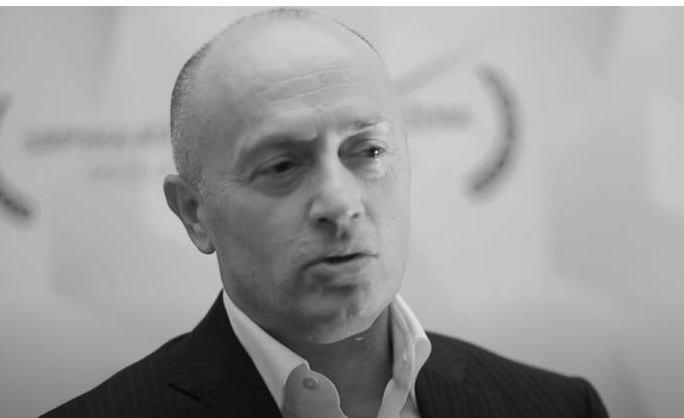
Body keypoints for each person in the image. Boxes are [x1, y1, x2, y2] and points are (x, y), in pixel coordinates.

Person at [42, 8, 608, 418]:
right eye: (282, 165)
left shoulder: (559, 407)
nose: (340, 203)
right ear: (194, 213)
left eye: (370, 152)